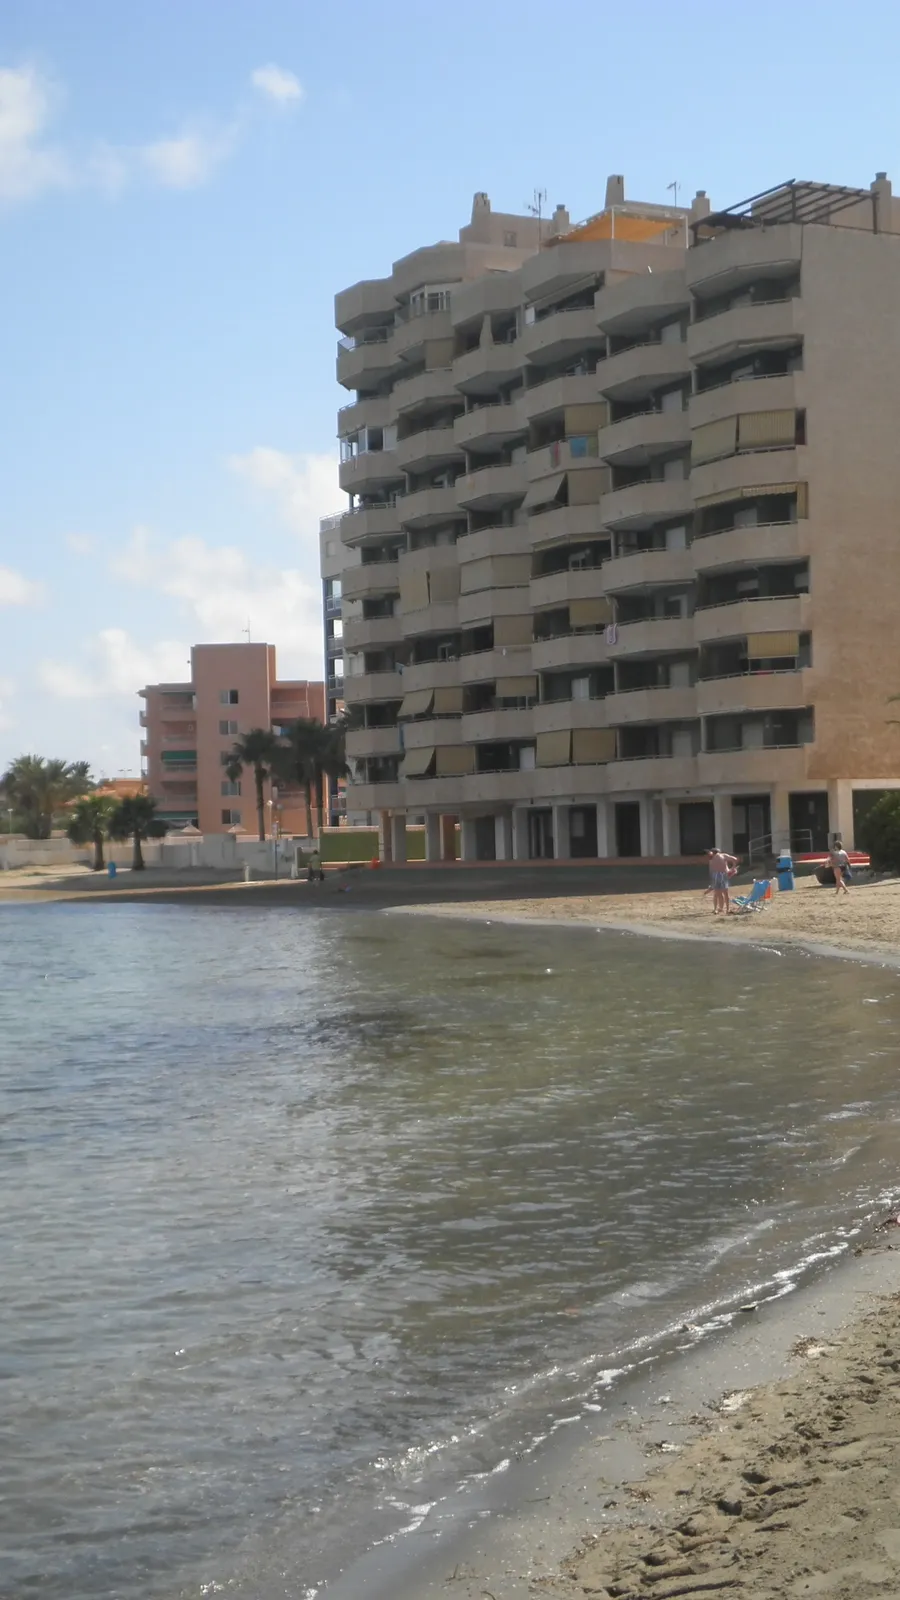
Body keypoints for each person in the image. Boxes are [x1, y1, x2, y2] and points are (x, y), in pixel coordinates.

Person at [706, 846, 739, 915]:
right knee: (722, 893)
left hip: (718, 875)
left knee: (719, 893)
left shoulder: (715, 857)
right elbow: (735, 859)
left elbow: (735, 859)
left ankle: (720, 909)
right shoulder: (717, 857)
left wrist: (732, 868)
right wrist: (732, 868)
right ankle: (723, 909)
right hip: (721, 875)